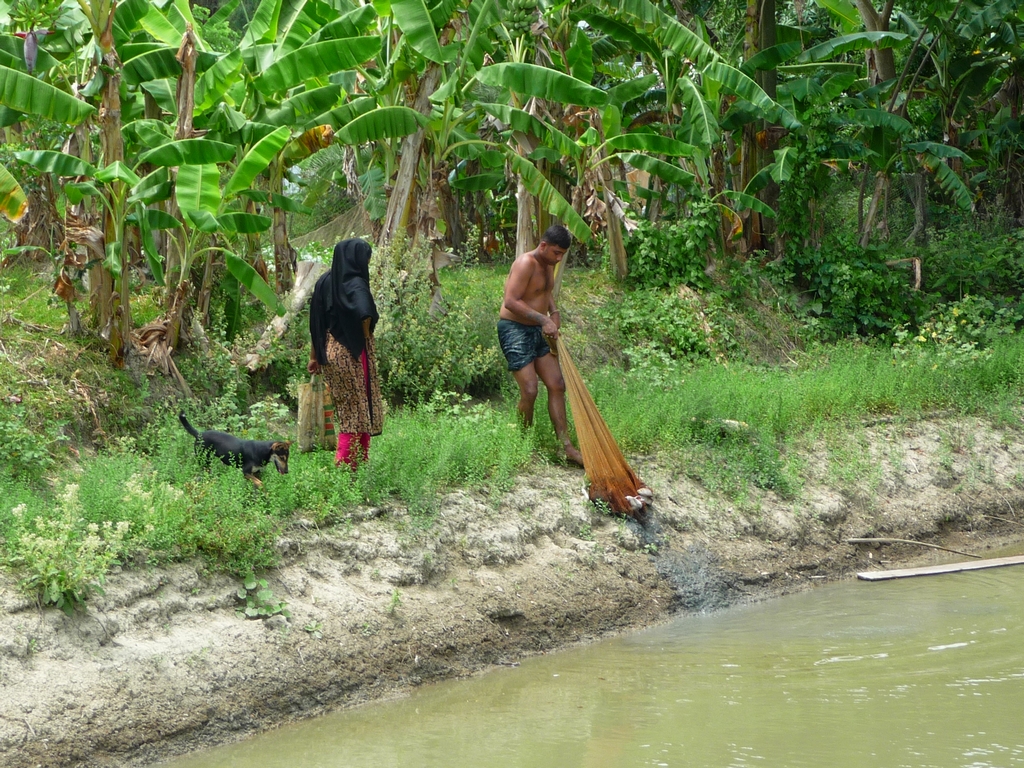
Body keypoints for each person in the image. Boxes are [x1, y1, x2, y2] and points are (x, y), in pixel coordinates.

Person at [498, 224, 584, 466]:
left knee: (557, 385)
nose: (559, 259)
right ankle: (523, 443)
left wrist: (554, 312)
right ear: (543, 246)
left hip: (537, 328)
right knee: (530, 390)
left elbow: (544, 292)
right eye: (556, 253)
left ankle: (566, 446)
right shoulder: (525, 263)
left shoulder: (549, 265)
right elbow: (511, 301)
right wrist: (543, 319)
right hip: (514, 329)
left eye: (562, 255)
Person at [308, 238, 384, 468]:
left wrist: (314, 357)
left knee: (350, 407)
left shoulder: (324, 282)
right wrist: (365, 334)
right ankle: (345, 465)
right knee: (358, 409)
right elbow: (366, 313)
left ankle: (358, 462)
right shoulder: (355, 283)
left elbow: (316, 324)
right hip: (352, 352)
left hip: (330, 351)